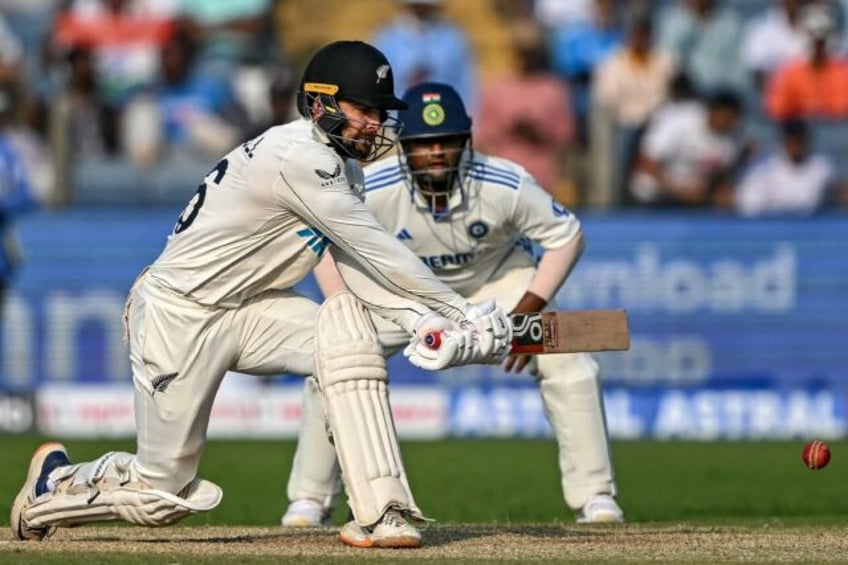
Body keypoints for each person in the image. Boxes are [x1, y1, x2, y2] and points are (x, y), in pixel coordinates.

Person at [10, 40, 513, 550]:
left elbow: (355, 267)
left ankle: (382, 512)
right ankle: (53, 486)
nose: (374, 123)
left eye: (380, 111)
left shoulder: (345, 169)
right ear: (321, 103)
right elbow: (380, 250)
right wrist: (462, 310)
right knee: (161, 495)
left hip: (252, 309)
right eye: (365, 109)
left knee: (348, 337)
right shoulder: (298, 158)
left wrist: (425, 325)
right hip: (179, 314)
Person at [280, 82, 624, 531]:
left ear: (468, 141)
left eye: (448, 142)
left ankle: (596, 498)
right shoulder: (373, 187)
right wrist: (343, 303)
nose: (437, 153)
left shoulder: (504, 182)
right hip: (404, 295)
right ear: (403, 147)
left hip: (496, 286)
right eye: (425, 144)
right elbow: (321, 239)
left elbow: (567, 235)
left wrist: (527, 312)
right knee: (335, 360)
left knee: (570, 360)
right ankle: (309, 500)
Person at [372, 0, 477, 113]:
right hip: (398, 120)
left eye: (425, 6)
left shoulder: (453, 38)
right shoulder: (386, 39)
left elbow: (466, 83)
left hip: (444, 118)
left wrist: (465, 116)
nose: (421, 10)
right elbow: (378, 84)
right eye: (416, 6)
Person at [735, 118, 842, 217]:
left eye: (800, 139)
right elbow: (749, 208)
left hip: (812, 229)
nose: (796, 144)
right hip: (772, 230)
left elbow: (834, 200)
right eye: (791, 139)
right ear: (783, 141)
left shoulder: (823, 168)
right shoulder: (763, 169)